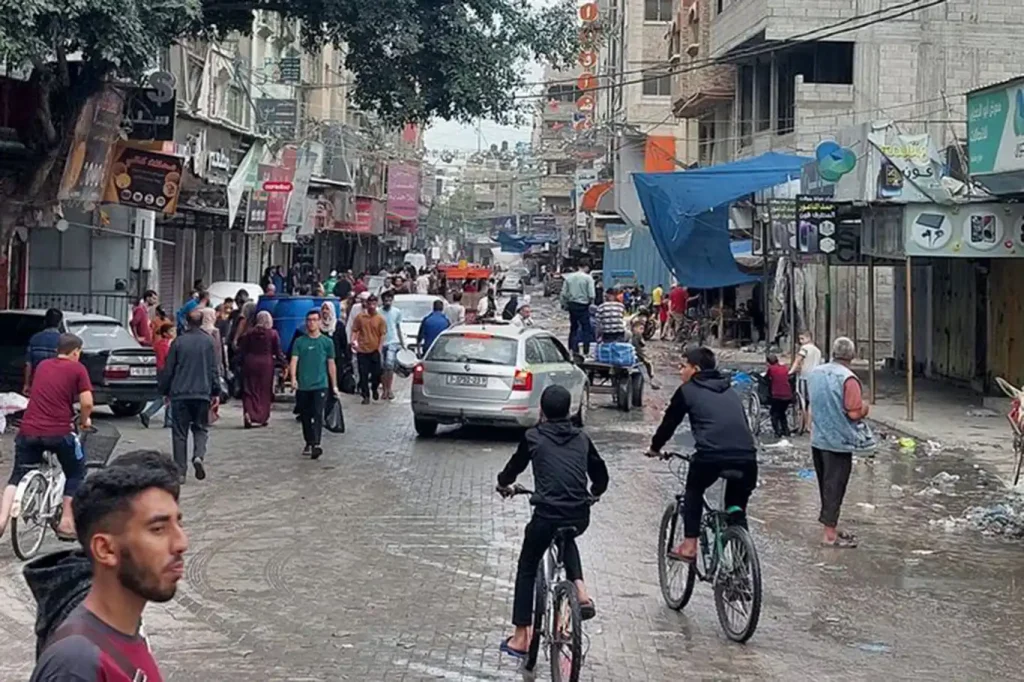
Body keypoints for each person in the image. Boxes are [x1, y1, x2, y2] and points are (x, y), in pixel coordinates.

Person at [27, 450, 186, 681]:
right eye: (158, 529)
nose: (181, 543)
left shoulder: (125, 633)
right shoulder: (76, 666)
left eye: (179, 523)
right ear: (105, 549)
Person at [496, 385, 608, 658]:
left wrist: (503, 484)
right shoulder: (582, 437)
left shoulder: (533, 436)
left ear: (542, 411)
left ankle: (522, 637)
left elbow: (513, 468)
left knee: (527, 565)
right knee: (566, 534)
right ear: (569, 411)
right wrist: (593, 494)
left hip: (546, 516)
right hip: (579, 515)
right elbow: (601, 475)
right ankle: (580, 590)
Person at [645, 346, 758, 562]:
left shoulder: (687, 391)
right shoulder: (730, 390)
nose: (680, 371)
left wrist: (654, 449)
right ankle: (742, 561)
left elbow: (669, 424)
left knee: (693, 490)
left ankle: (689, 546)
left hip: (711, 457)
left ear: (695, 369)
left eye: (683, 366)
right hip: (747, 458)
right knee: (736, 506)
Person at [0, 333, 93, 541]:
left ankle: (2, 519)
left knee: (17, 474)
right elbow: (87, 403)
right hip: (59, 433)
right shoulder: (78, 368)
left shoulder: (42, 366)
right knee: (76, 471)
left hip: (28, 431)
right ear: (76, 351)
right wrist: (85, 420)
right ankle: (67, 523)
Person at [807, 336, 873, 549]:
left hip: (818, 439)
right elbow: (853, 413)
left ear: (833, 352)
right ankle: (829, 536)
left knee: (825, 486)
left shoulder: (816, 373)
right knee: (835, 487)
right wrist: (865, 407)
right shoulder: (848, 378)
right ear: (852, 356)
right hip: (839, 441)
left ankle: (830, 528)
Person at [160, 310, 220, 483]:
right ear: (201, 322)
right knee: (200, 428)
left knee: (179, 433)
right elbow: (213, 369)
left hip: (180, 393)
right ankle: (198, 455)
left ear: (186, 322)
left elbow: (169, 369)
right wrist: (216, 392)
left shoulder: (178, 342)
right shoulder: (208, 342)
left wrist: (165, 390)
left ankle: (180, 472)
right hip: (202, 393)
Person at [289, 309, 338, 459]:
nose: (311, 323)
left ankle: (316, 443)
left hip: (321, 384)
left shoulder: (327, 342)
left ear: (319, 322)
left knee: (318, 413)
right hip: (303, 385)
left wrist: (334, 385)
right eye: (309, 320)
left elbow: (331, 364)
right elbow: (294, 361)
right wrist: (293, 379)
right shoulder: (300, 342)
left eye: (314, 320)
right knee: (305, 415)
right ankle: (309, 441)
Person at [238, 311, 284, 428]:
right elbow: (278, 352)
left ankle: (248, 413)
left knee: (249, 390)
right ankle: (262, 417)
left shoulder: (248, 334)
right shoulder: (273, 334)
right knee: (264, 391)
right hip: (266, 364)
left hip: (250, 362)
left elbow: (242, 351)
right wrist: (284, 364)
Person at [351, 295, 387, 404]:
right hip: (362, 350)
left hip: (374, 350)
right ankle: (365, 395)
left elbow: (382, 335)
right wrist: (354, 342)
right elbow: (355, 330)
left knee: (377, 373)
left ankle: (374, 388)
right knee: (363, 374)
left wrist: (379, 348)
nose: (372, 305)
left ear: (376, 304)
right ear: (366, 304)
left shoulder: (380, 319)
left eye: (374, 303)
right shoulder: (360, 317)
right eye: (370, 303)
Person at [139, 323, 175, 429]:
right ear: (165, 333)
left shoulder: (159, 344)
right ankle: (163, 418)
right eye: (172, 331)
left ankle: (166, 419)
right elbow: (167, 360)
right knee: (169, 396)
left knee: (165, 396)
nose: (174, 333)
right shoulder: (165, 345)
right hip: (166, 372)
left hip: (160, 372)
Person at [24, 308, 64, 394]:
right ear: (60, 323)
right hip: (56, 384)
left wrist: (26, 384)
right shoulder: (63, 341)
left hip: (37, 382)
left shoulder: (34, 339)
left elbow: (28, 364)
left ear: (45, 322)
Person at [560, 262, 595, 356]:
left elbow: (563, 294)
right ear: (586, 267)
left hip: (572, 305)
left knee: (573, 328)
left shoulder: (569, 278)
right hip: (584, 306)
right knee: (586, 328)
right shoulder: (588, 278)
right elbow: (592, 294)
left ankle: (572, 349)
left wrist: (564, 305)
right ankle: (586, 350)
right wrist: (590, 304)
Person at [791, 330, 823, 431]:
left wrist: (790, 372)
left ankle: (802, 425)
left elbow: (797, 361)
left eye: (802, 339)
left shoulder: (804, 349)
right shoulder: (817, 351)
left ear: (808, 338)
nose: (801, 341)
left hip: (804, 377)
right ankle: (809, 426)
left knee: (802, 401)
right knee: (811, 403)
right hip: (815, 378)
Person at [378, 291, 406, 401]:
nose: (388, 302)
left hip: (392, 341)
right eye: (386, 300)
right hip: (380, 342)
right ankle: (384, 389)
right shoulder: (378, 312)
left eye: (390, 300)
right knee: (381, 367)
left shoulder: (397, 312)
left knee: (389, 366)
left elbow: (398, 328)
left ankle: (389, 389)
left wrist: (402, 343)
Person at [765, 353, 793, 438]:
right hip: (788, 395)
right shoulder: (784, 368)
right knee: (782, 413)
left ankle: (777, 432)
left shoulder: (771, 369)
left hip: (777, 395)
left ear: (768, 363)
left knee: (774, 413)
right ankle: (786, 430)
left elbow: (767, 379)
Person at [630, 320, 660, 390]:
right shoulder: (638, 337)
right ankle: (651, 380)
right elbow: (642, 346)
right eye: (640, 329)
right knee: (648, 364)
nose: (642, 331)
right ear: (634, 328)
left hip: (635, 354)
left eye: (643, 329)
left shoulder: (631, 336)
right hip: (638, 355)